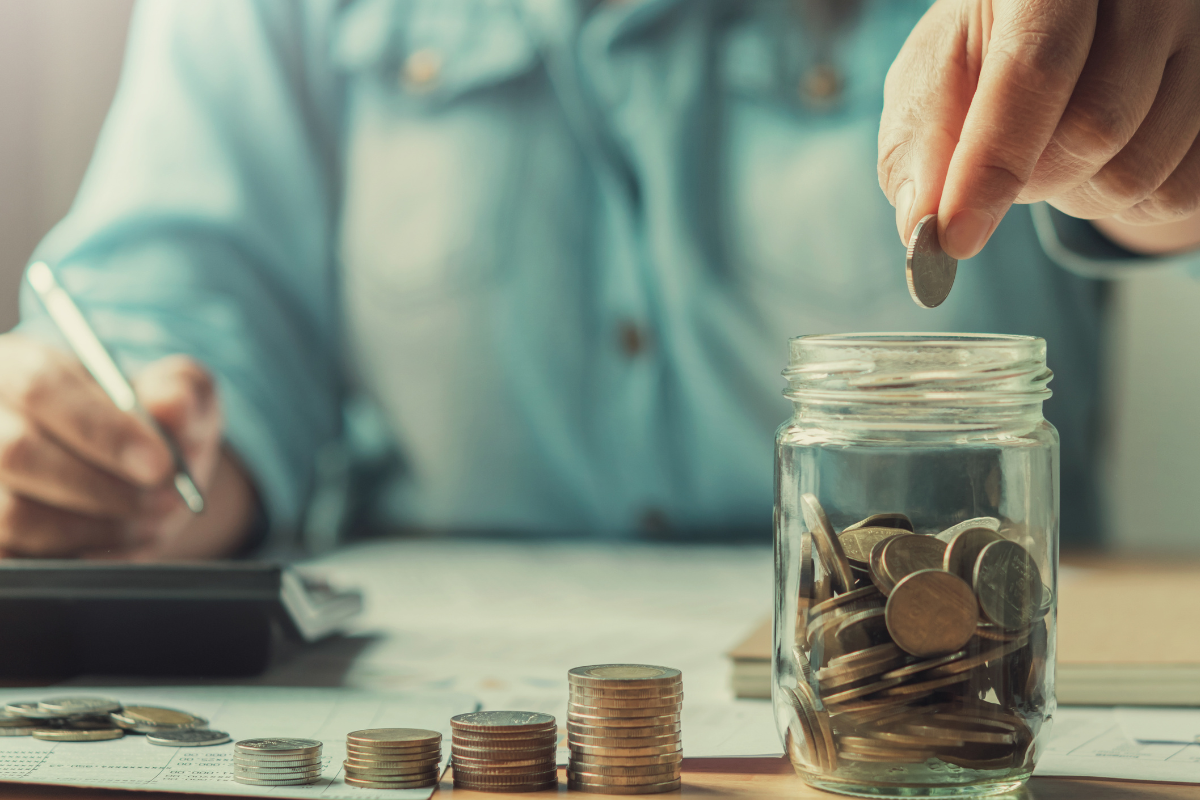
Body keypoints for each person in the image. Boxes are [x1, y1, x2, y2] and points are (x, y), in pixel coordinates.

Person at [1, 0, 1198, 560]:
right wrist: (123, 466)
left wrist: (1162, 148)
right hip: (440, 701)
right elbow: (184, 315)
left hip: (946, 682)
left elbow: (1154, 191)